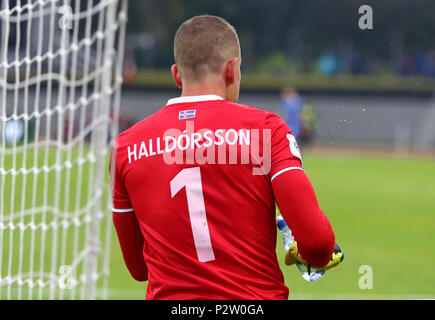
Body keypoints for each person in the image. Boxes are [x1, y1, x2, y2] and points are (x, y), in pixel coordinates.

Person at [110, 15, 335, 300]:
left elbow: (139, 268)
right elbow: (317, 244)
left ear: (176, 75)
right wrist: (310, 249)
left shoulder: (125, 147)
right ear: (232, 70)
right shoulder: (266, 130)